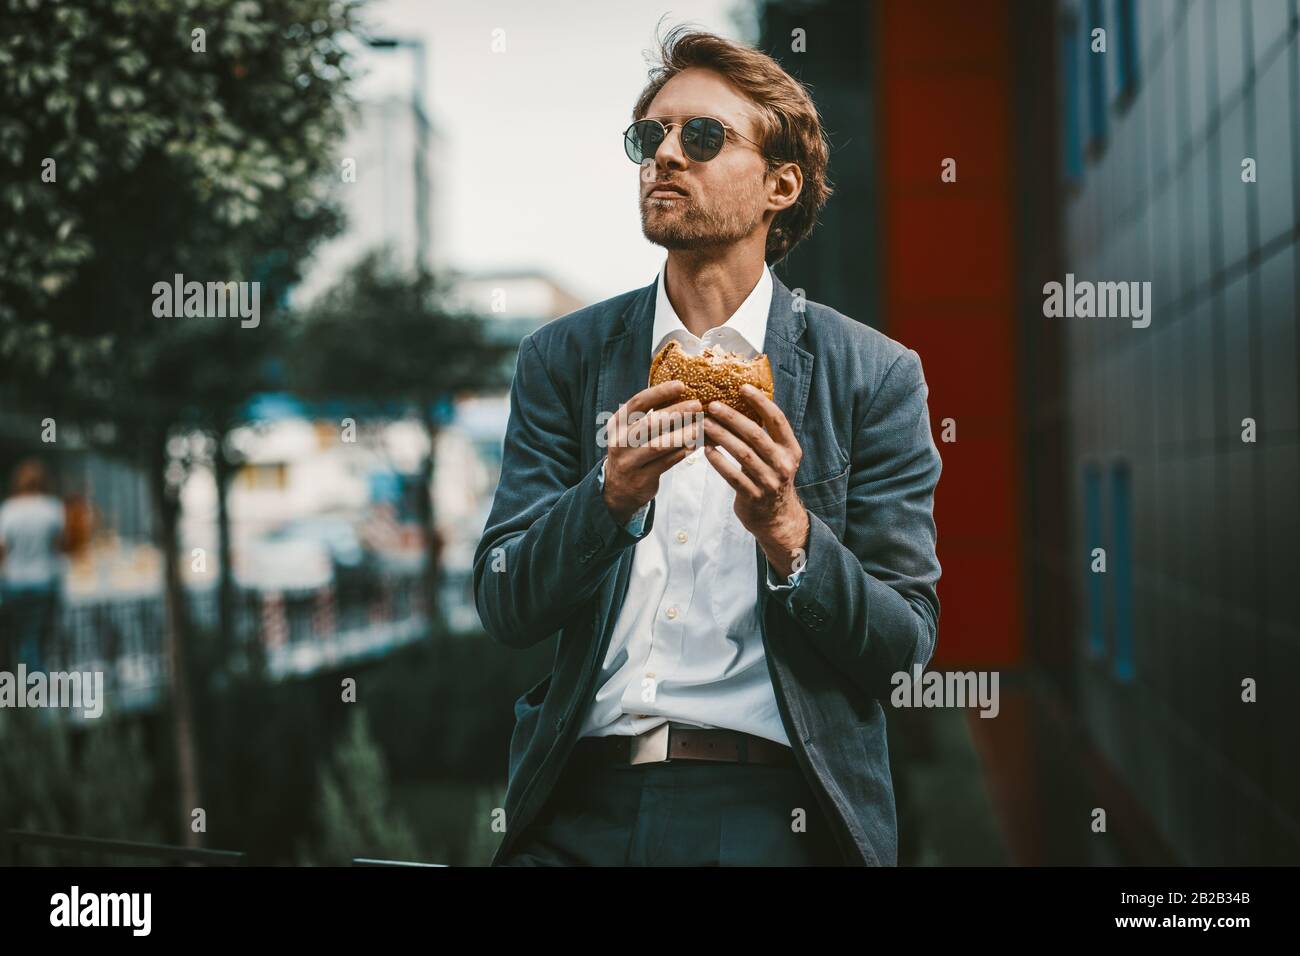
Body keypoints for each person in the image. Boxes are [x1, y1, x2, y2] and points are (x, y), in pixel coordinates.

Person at [473, 26, 942, 866]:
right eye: (648, 137)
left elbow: (904, 648)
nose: (664, 157)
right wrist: (607, 499)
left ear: (780, 185)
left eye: (700, 137)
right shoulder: (563, 357)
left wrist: (790, 533)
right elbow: (506, 602)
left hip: (774, 811)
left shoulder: (873, 375)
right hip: (579, 806)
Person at [0, 458, 68, 670]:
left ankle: (28, 688)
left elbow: (2, 550)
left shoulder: (8, 510)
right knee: (39, 637)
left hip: (15, 581)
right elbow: (60, 546)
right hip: (44, 580)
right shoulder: (52, 509)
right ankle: (36, 684)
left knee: (22, 637)